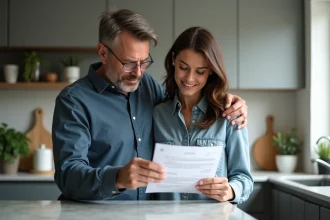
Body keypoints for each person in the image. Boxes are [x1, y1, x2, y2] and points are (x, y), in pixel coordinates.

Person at [52, 9, 249, 201]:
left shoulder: (148, 87)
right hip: (95, 214)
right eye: (128, 62)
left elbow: (186, 99)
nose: (138, 73)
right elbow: (67, 175)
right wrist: (117, 178)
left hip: (148, 213)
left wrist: (234, 103)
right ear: (103, 53)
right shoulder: (74, 101)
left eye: (144, 62)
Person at [153, 27, 253, 204]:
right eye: (184, 67)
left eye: (200, 71)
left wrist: (230, 190)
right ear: (173, 60)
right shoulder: (157, 114)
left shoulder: (229, 115)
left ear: (211, 72)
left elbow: (244, 178)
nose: (189, 78)